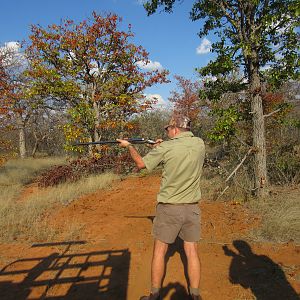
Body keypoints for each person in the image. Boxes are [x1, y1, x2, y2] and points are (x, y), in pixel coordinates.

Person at [117, 114, 205, 300]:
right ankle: (195, 295)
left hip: (169, 208)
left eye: (167, 130)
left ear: (174, 129)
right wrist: (159, 147)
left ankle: (155, 295)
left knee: (160, 251)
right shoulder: (199, 144)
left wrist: (129, 146)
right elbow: (178, 153)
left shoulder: (166, 147)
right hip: (192, 208)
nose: (166, 133)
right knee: (191, 252)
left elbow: (141, 164)